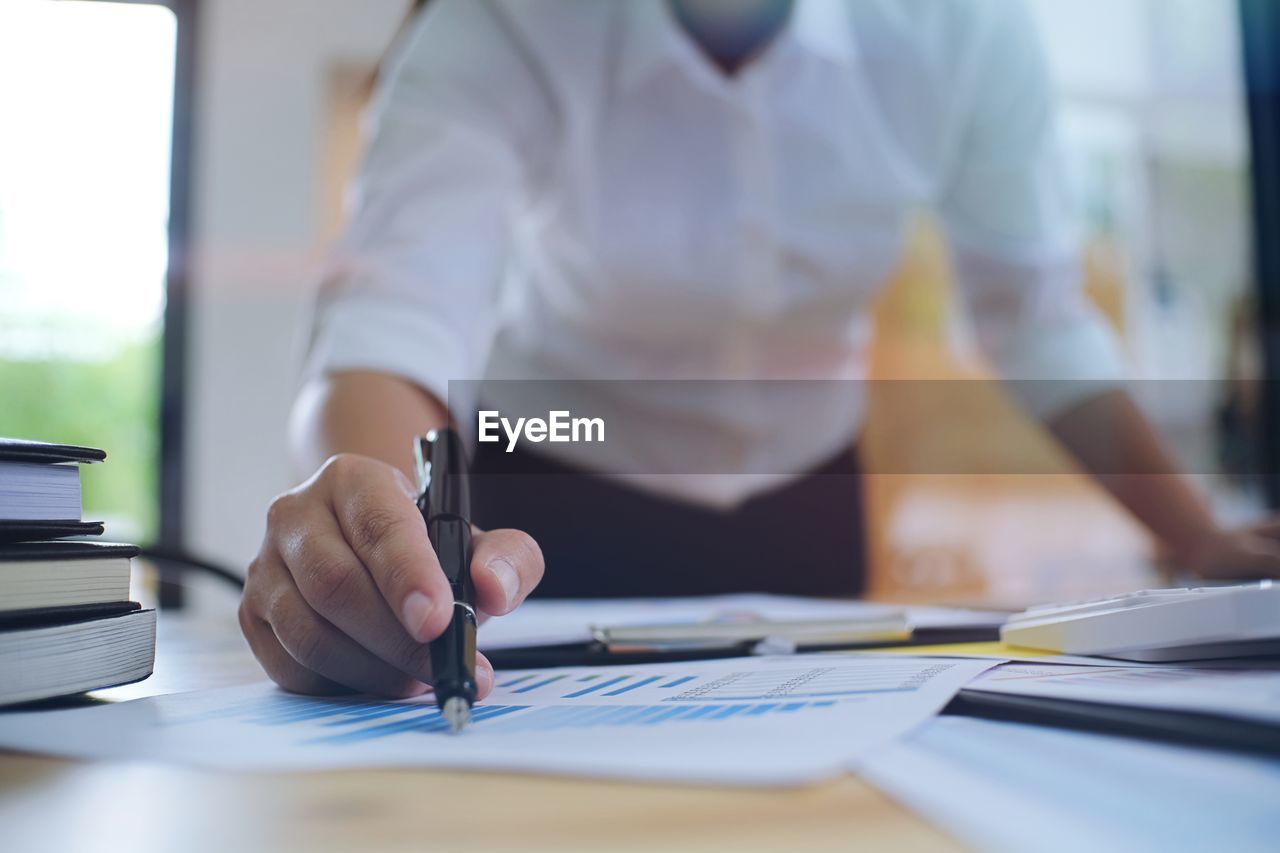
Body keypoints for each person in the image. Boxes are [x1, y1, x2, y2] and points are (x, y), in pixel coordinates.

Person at [239, 0, 1280, 698]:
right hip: (547, 459)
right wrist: (377, 534)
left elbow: (1035, 313)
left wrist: (1194, 537)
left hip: (805, 487)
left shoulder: (964, 29)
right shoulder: (497, 21)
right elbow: (396, 316)